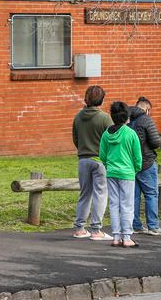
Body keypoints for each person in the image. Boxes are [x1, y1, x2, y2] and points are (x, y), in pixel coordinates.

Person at [72, 85, 113, 241]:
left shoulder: (78, 117)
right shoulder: (105, 118)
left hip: (83, 159)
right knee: (100, 194)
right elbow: (111, 140)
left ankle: (79, 228)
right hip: (100, 160)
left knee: (84, 194)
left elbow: (75, 139)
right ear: (102, 99)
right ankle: (96, 230)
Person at [100, 101, 143, 247]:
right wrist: (135, 169)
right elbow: (137, 157)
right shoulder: (130, 133)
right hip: (127, 173)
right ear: (127, 117)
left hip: (111, 172)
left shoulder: (106, 134)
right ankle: (127, 237)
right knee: (127, 205)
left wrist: (108, 166)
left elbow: (102, 155)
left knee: (113, 204)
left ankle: (116, 237)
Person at [129, 97, 161, 236]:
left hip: (131, 163)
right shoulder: (146, 119)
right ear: (147, 109)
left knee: (134, 196)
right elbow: (156, 142)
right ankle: (153, 226)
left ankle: (135, 225)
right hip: (146, 162)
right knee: (151, 194)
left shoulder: (126, 119)